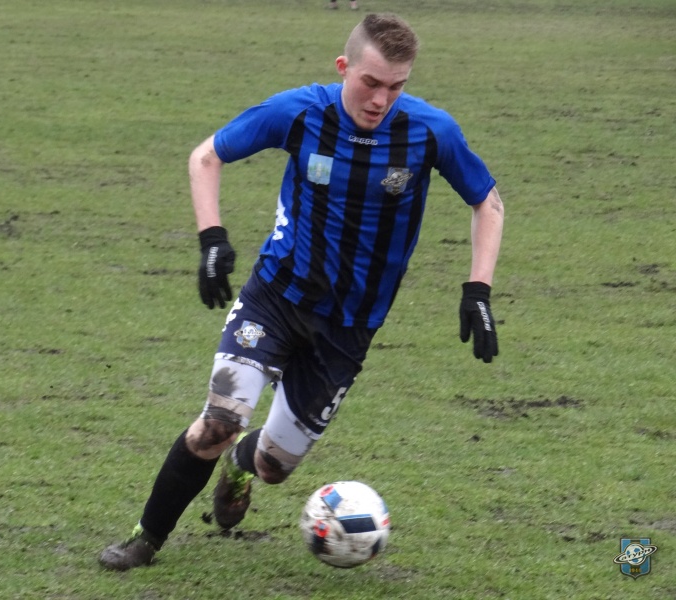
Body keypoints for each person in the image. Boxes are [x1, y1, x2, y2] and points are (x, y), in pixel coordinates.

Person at [99, 12, 504, 571]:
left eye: (395, 87)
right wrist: (212, 238)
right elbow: (206, 156)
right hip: (275, 299)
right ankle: (145, 539)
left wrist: (478, 289)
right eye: (370, 82)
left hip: (348, 327)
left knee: (275, 467)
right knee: (218, 422)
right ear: (343, 67)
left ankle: (242, 464)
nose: (380, 99)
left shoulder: (431, 131)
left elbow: (488, 202)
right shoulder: (299, 112)